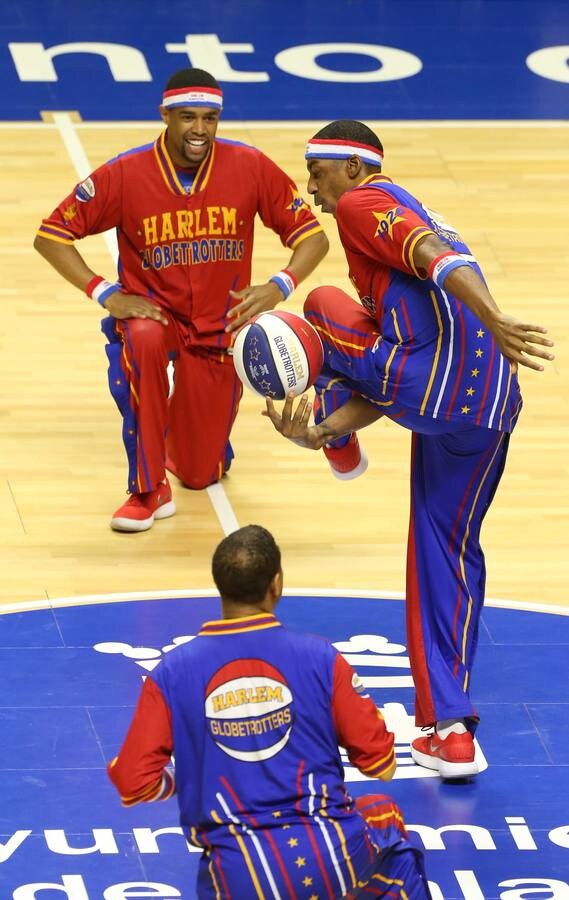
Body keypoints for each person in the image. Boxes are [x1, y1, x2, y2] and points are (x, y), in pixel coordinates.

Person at [263, 120, 555, 779]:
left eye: (319, 169)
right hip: (484, 410)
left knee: (317, 307)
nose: (310, 185)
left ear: (357, 169)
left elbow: (429, 255)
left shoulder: (368, 204)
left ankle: (340, 441)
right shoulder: (422, 211)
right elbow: (411, 384)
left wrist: (495, 318)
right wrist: (323, 425)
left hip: (432, 384)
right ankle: (450, 734)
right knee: (443, 551)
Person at [34, 68, 328, 533]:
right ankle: (147, 488)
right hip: (155, 315)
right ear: (165, 115)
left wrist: (279, 286)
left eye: (210, 118)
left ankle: (189, 436)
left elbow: (312, 238)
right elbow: (51, 235)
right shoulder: (126, 173)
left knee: (200, 473)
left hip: (219, 328)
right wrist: (105, 293)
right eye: (188, 117)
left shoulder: (250, 166)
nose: (199, 129)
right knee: (142, 341)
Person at [108, 525, 431, 899]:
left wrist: (189, 776)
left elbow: (134, 781)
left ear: (220, 588)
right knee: (386, 817)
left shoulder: (171, 672)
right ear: (276, 583)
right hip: (331, 856)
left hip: (239, 875)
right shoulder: (321, 658)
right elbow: (382, 765)